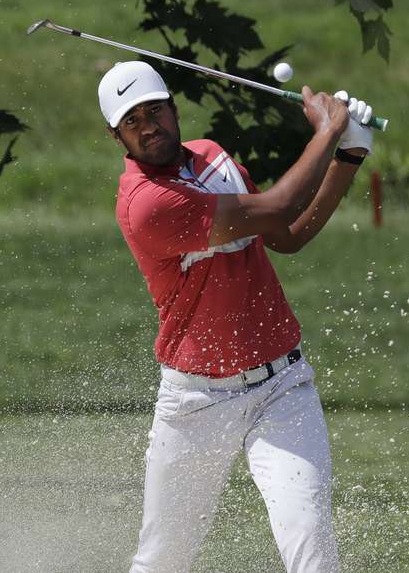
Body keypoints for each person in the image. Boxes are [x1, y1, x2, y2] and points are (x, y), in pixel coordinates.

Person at [98, 59, 375, 573]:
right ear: (116, 134)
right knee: (164, 560)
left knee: (313, 551)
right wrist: (330, 129)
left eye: (154, 111)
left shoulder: (211, 158)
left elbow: (286, 233)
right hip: (196, 400)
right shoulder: (146, 204)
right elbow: (282, 200)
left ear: (174, 109)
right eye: (131, 121)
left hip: (283, 387)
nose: (148, 126)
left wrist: (349, 154)